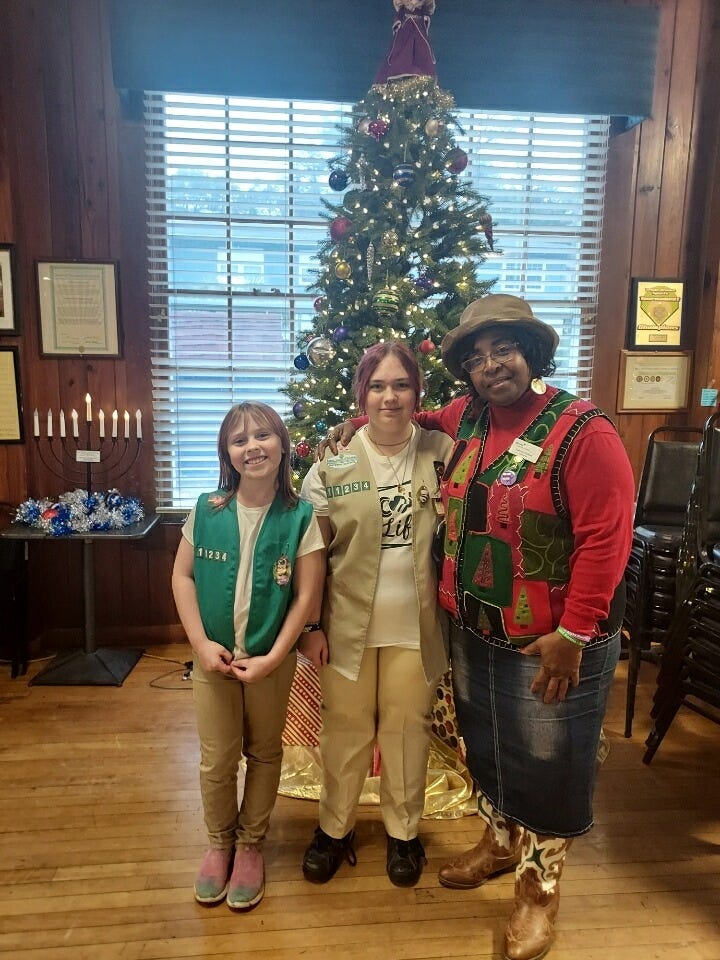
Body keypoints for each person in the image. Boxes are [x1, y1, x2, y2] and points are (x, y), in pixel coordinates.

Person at [324, 295, 635, 960]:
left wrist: (574, 635)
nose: (492, 365)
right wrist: (354, 423)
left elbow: (608, 540)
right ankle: (498, 844)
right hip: (474, 630)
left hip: (550, 644)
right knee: (487, 747)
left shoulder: (584, 433)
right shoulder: (468, 417)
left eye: (505, 349)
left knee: (549, 767)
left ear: (532, 352)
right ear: (466, 370)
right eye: (477, 356)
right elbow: (409, 412)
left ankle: (538, 893)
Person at [299, 341, 453, 888]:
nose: (390, 397)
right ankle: (334, 829)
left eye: (401, 385)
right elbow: (312, 556)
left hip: (417, 624)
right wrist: (310, 625)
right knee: (345, 729)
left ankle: (403, 833)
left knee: (407, 728)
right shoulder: (333, 461)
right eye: (378, 386)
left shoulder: (442, 451)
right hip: (347, 626)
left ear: (417, 393)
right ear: (361, 394)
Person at [172, 402, 325, 910]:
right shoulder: (207, 510)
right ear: (227, 454)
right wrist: (200, 643)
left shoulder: (300, 517)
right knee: (217, 759)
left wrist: (276, 656)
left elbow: (305, 596)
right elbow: (182, 576)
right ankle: (220, 843)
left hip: (269, 663)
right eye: (239, 440)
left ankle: (250, 845)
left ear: (282, 444)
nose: (252, 447)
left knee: (263, 752)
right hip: (213, 661)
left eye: (263, 435)